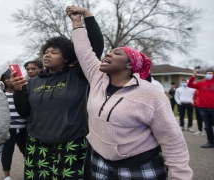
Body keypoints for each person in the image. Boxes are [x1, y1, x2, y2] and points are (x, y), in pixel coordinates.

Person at [68, 6, 193, 179]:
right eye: (109, 51)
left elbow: (171, 138)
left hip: (139, 165)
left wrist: (180, 176)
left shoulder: (150, 94)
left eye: (116, 53)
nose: (108, 54)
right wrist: (77, 21)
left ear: (130, 65)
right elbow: (84, 51)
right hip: (100, 160)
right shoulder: (98, 78)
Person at [11, 7, 103, 180]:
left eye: (54, 52)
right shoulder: (33, 82)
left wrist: (81, 19)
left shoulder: (78, 75)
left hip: (72, 142)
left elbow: (94, 47)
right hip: (37, 144)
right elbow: (24, 113)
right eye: (46, 52)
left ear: (66, 57)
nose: (47, 55)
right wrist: (18, 91)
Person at [0, 69, 27, 180]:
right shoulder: (0, 94)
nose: (9, 81)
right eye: (7, 78)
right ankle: (7, 176)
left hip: (24, 129)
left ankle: (30, 172)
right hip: (8, 130)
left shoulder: (24, 92)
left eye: (11, 78)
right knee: (7, 153)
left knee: (27, 153)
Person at [187, 69, 214, 148]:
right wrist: (194, 74)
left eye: (210, 73)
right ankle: (211, 142)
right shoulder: (201, 83)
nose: (208, 75)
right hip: (203, 108)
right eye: (207, 73)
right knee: (207, 126)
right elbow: (190, 85)